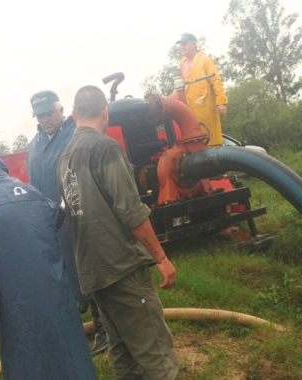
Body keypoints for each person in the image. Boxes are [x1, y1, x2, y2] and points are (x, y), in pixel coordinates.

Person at [0, 139, 97, 380]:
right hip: (62, 310)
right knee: (73, 366)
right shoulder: (32, 193)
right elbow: (55, 214)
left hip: (21, 322)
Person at [58, 86, 179, 380]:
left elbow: (67, 213)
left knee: (123, 352)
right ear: (105, 113)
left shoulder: (64, 159)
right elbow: (131, 211)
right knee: (156, 353)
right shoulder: (106, 148)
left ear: (73, 116)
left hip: (93, 271)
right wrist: (161, 257)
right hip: (121, 268)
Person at [27, 90, 108, 355]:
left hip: (82, 217)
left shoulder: (74, 134)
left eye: (49, 112)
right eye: (40, 115)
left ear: (61, 110)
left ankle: (104, 329)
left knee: (89, 271)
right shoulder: (35, 145)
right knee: (65, 275)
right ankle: (76, 331)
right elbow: (35, 185)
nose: (45, 119)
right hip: (53, 224)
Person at [176, 32, 229, 146]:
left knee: (210, 138)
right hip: (188, 107)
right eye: (181, 44)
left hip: (205, 107)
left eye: (185, 43)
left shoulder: (205, 60)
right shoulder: (182, 62)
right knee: (194, 138)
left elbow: (216, 80)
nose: (182, 47)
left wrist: (221, 102)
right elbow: (181, 85)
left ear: (194, 44)